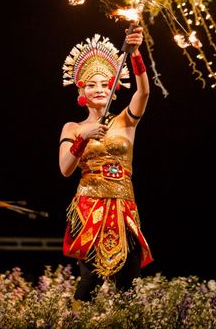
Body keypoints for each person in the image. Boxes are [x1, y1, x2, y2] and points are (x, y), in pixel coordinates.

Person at [58, 29, 153, 303]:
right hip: (89, 209)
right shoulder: (73, 127)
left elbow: (144, 91)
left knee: (128, 285)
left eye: (104, 83)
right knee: (89, 282)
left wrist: (135, 54)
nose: (98, 89)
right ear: (81, 91)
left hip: (124, 208)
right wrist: (83, 139)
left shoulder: (126, 120)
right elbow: (65, 169)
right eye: (91, 84)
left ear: (113, 85)